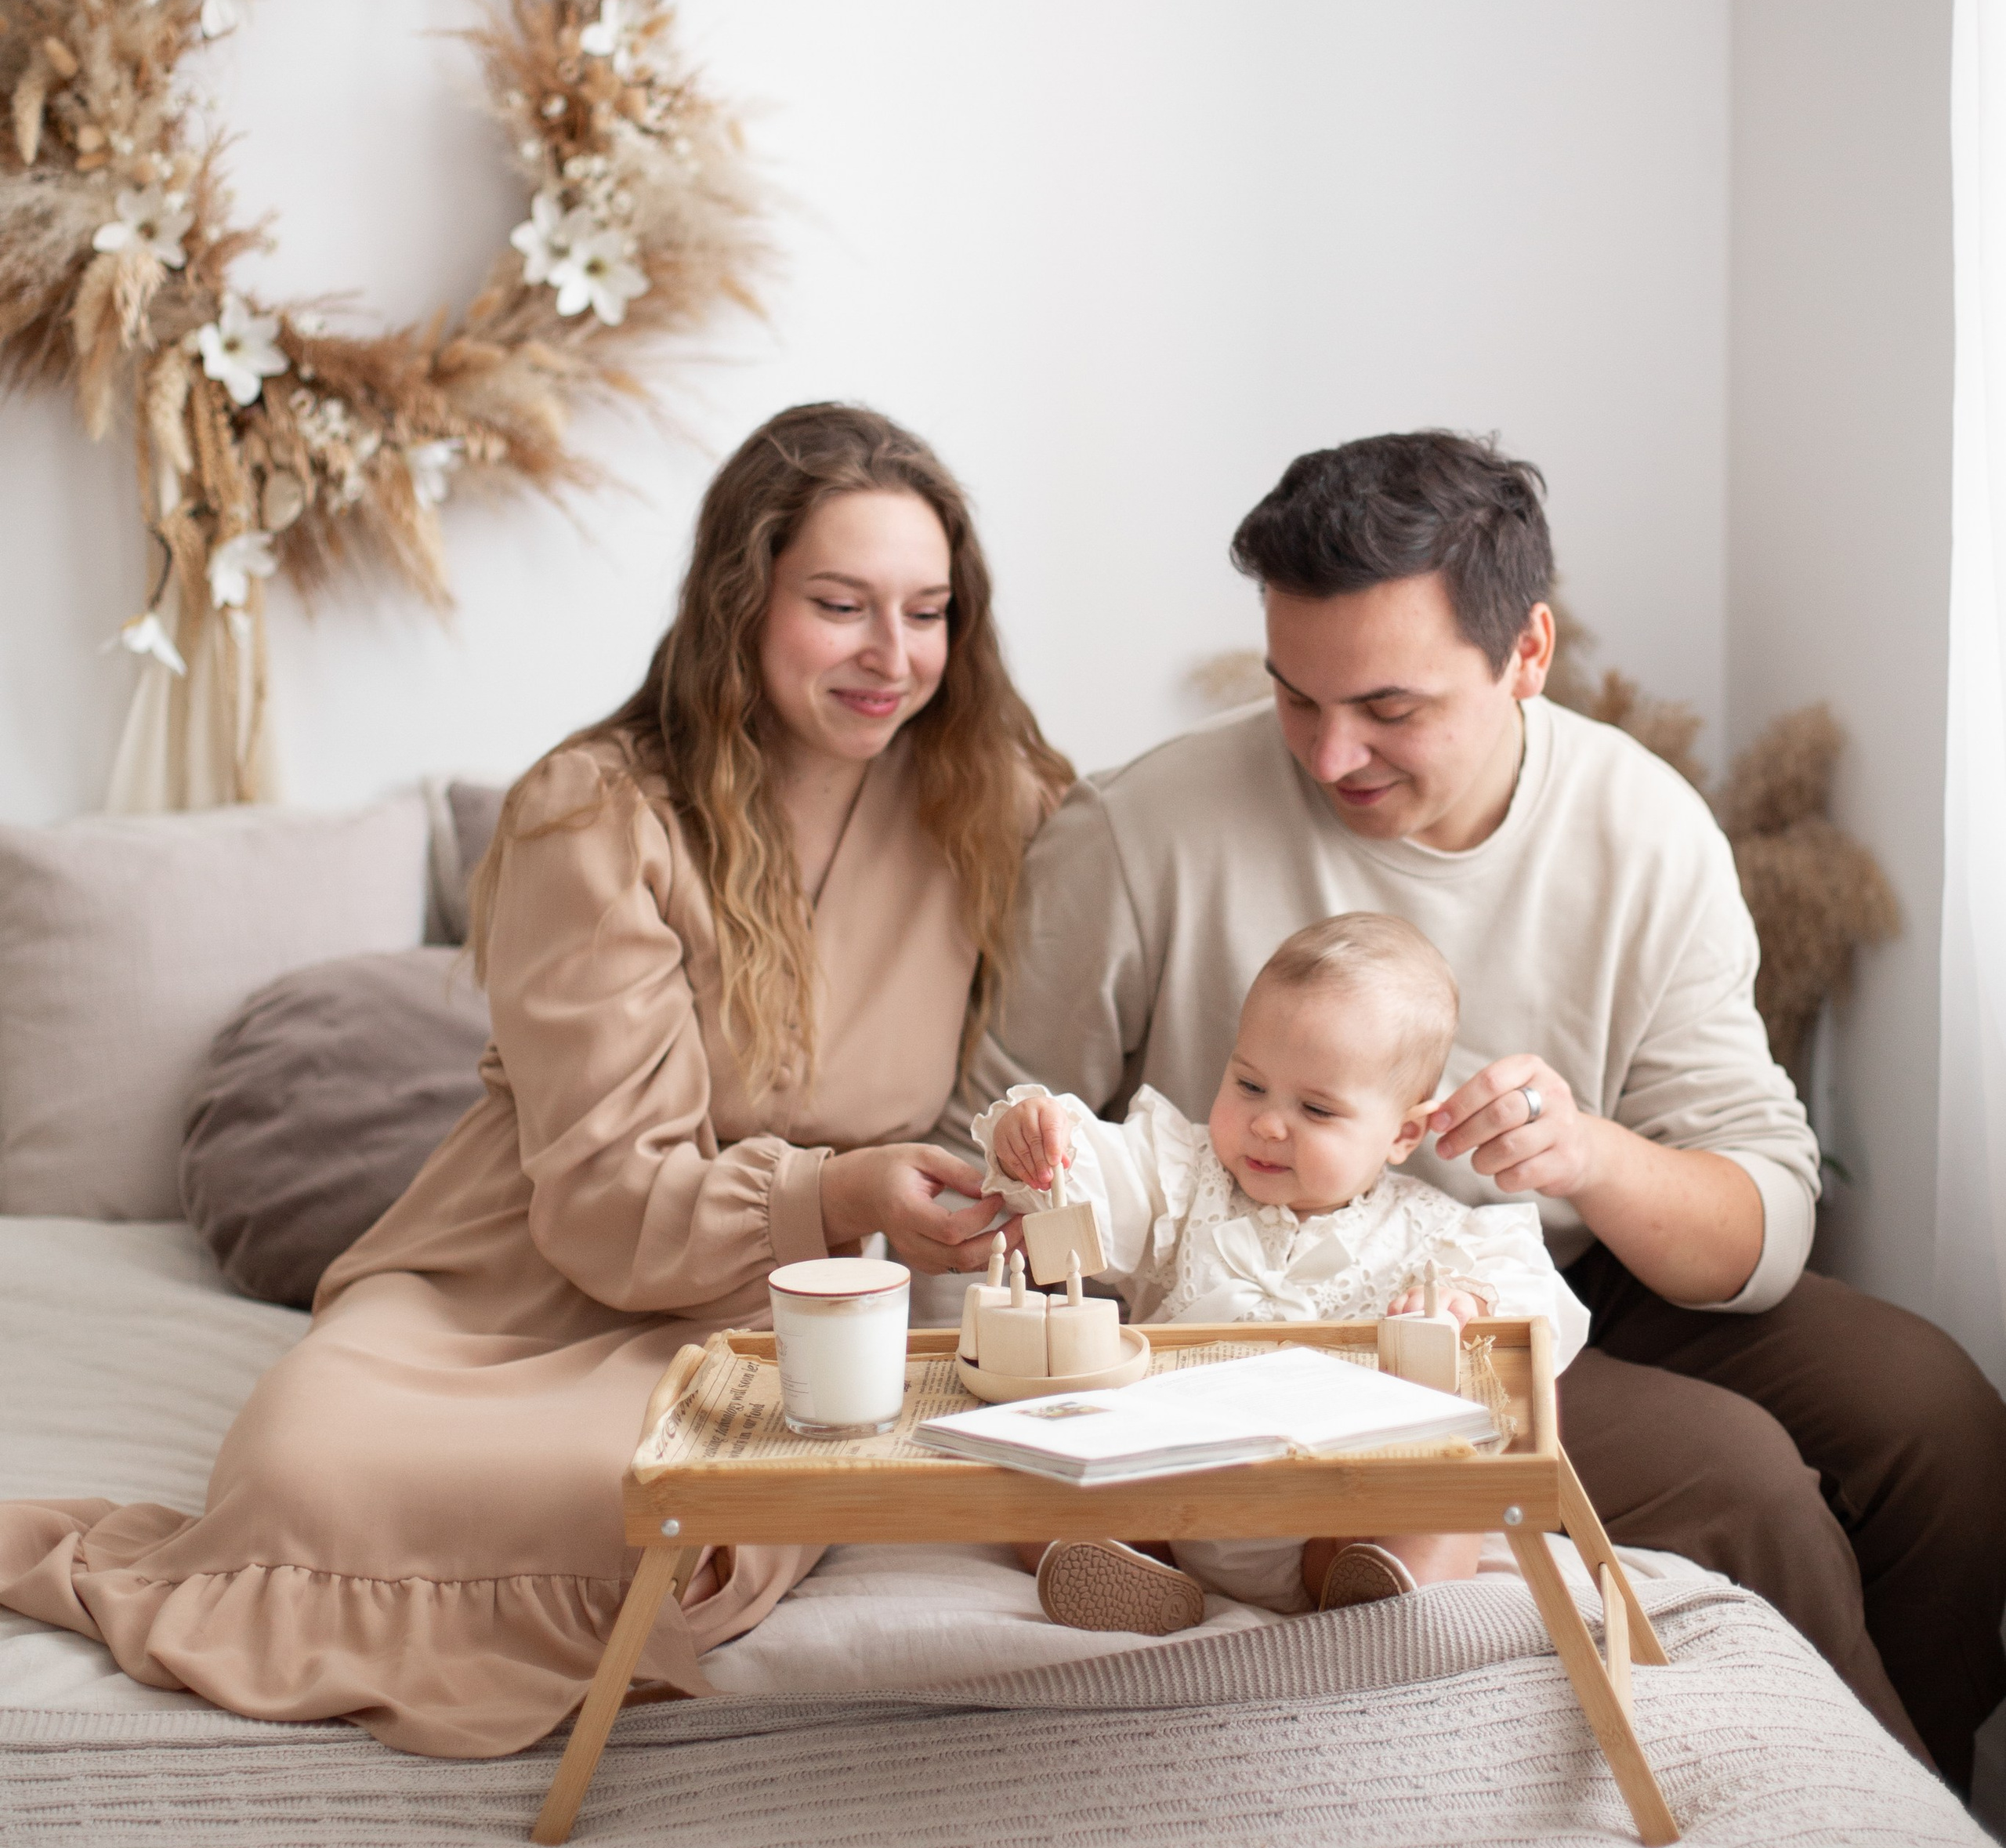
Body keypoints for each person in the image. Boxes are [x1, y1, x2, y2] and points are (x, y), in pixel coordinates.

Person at [943, 428, 2006, 1792]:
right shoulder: (1145, 831)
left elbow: (1764, 1214)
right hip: (1314, 1311)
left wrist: (1593, 1155)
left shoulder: (1643, 829)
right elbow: (991, 1138)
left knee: (1940, 1422)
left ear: (1528, 655)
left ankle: (1900, 1792)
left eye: (1390, 707)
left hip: (1568, 1270)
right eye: (1293, 696)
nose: (1332, 755)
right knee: (1738, 1479)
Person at [0, 401, 1069, 1757]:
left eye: (930, 614)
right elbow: (605, 1199)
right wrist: (838, 1187)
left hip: (774, 1312)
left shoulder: (995, 800)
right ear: (742, 602)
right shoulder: (595, 810)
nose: (893, 657)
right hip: (519, 1279)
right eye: (843, 606)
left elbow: (1149, 916)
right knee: (302, 1475)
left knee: (655, 1507)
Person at [976, 911, 1588, 1633]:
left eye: (1317, 1108)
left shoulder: (1432, 1234)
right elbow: (1093, 1179)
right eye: (1250, 1086)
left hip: (1336, 1511)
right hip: (1166, 1488)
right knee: (1031, 1461)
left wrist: (1465, 1301)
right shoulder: (1185, 1179)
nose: (1269, 1124)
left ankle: (1384, 1593)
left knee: (1444, 1497)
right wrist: (1039, 1136)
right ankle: (1122, 1568)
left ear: (1403, 1134)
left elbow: (1527, 1289)